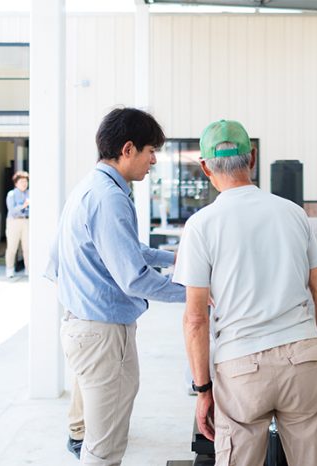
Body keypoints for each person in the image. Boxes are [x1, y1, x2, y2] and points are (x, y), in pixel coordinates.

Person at [173, 120, 317, 465]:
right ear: (251, 159)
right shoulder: (295, 214)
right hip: (302, 358)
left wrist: (203, 389)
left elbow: (195, 318)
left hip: (240, 369)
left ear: (205, 167)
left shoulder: (201, 226)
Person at [47, 107, 186, 465]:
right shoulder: (109, 198)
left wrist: (174, 257)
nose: (153, 160)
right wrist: (196, 291)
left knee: (101, 436)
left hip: (86, 325)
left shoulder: (92, 187)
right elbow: (134, 278)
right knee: (105, 447)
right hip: (103, 333)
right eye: (150, 150)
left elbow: (125, 250)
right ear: (128, 149)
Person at [5, 171, 30, 278]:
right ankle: (10, 269)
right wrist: (24, 205)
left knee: (28, 247)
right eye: (22, 181)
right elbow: (12, 210)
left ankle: (29, 269)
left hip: (27, 221)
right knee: (12, 247)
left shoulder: (30, 193)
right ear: (16, 183)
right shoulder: (12, 194)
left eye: (26, 181)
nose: (24, 183)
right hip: (14, 222)